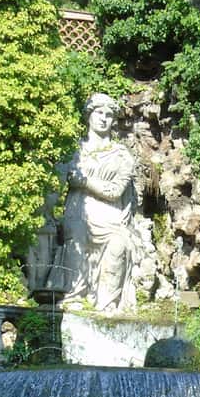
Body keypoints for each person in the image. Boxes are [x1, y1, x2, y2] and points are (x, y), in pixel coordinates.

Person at [48, 93, 137, 312]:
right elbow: (55, 186)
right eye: (99, 113)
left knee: (118, 244)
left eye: (109, 115)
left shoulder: (122, 155)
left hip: (110, 217)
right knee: (76, 238)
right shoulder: (73, 151)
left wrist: (84, 181)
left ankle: (107, 304)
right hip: (78, 212)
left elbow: (115, 191)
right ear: (89, 115)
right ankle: (74, 296)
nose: (103, 118)